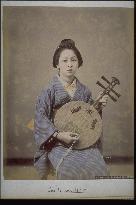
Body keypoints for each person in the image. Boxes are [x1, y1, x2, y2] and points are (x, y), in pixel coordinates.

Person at [34, 39, 109, 180]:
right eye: (64, 61)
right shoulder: (49, 90)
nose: (69, 64)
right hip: (57, 143)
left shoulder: (84, 91)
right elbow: (40, 118)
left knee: (100, 167)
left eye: (73, 60)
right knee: (69, 170)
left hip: (82, 141)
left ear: (78, 63)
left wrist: (98, 106)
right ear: (57, 64)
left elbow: (89, 118)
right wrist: (58, 135)